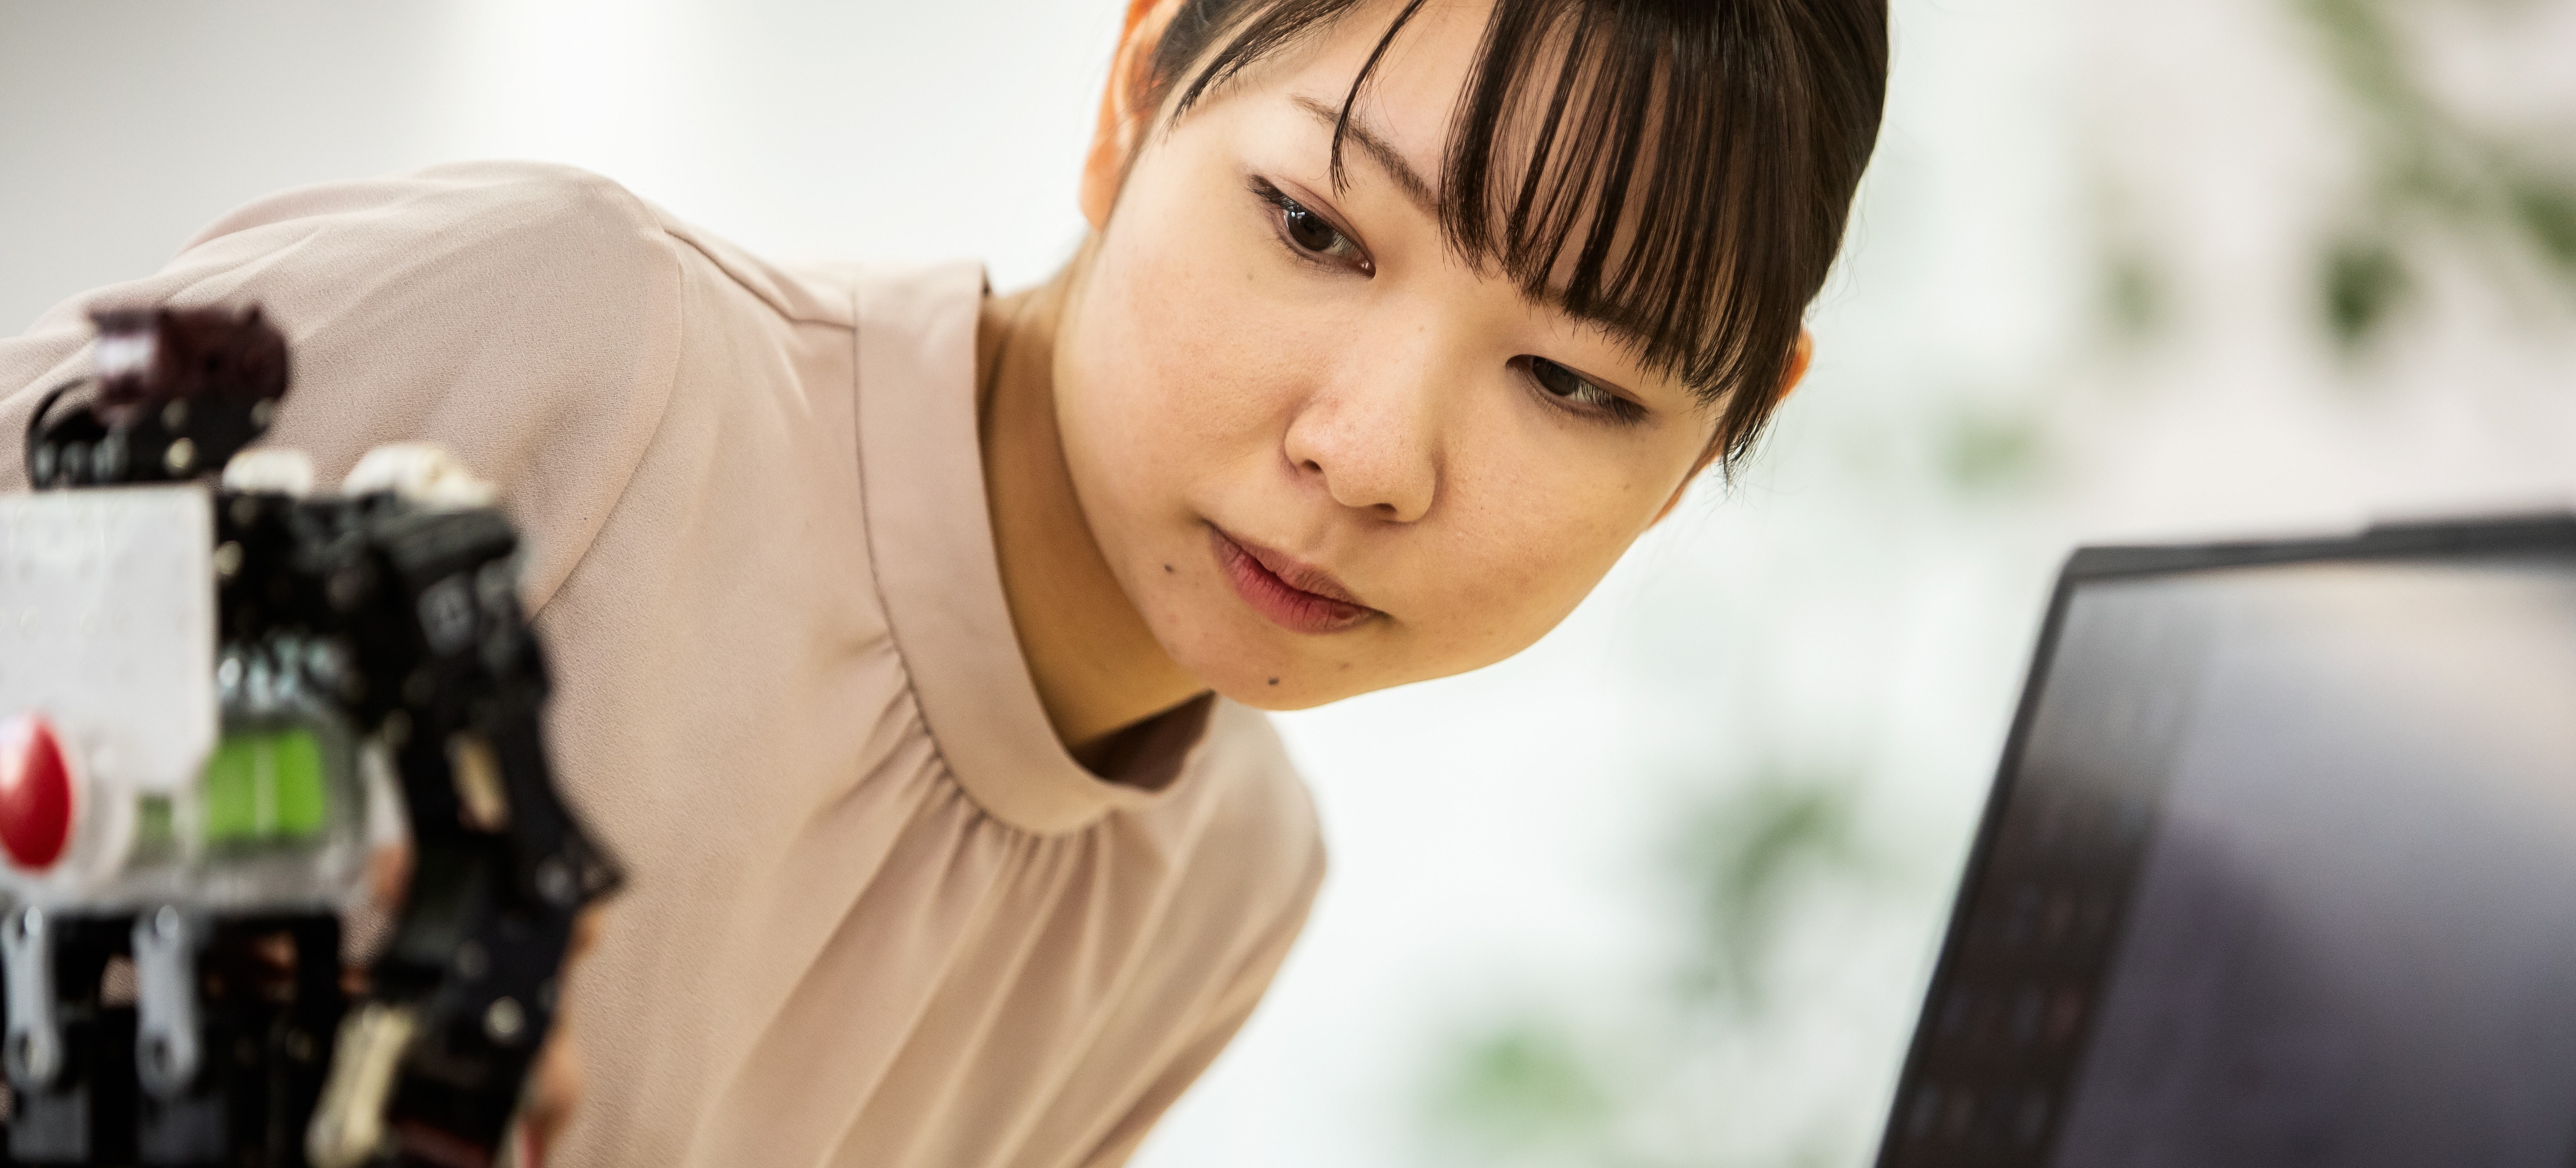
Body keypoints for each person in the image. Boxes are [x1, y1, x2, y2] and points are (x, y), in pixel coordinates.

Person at [0, 0, 1888, 1163]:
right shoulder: (565, 343)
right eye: (1315, 227)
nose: (1370, 456)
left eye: (1574, 381)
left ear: (1723, 435)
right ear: (1132, 98)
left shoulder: (1221, 882)